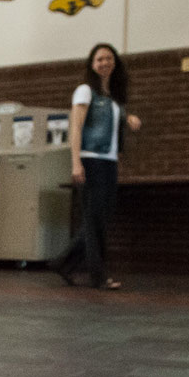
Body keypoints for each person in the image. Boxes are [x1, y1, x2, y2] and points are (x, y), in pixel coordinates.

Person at [51, 43, 141, 290]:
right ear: (92, 64)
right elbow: (76, 127)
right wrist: (76, 162)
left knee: (99, 218)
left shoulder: (111, 97)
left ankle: (63, 263)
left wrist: (128, 117)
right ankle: (98, 276)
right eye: (100, 59)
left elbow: (116, 119)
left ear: (115, 63)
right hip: (91, 160)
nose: (105, 62)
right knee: (94, 219)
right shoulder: (84, 91)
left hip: (108, 161)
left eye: (109, 58)